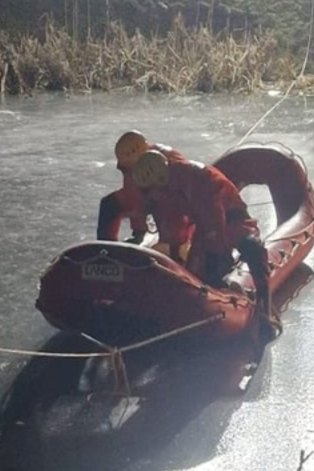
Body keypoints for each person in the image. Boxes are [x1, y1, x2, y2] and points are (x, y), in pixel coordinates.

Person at [131, 149, 280, 342]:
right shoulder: (165, 189)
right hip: (203, 225)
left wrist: (219, 255)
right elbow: (175, 226)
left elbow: (214, 221)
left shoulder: (198, 180)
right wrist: (176, 258)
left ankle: (264, 309)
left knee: (252, 249)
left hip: (231, 217)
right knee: (195, 274)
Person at [96, 131, 193, 252]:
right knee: (109, 205)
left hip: (170, 200)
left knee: (167, 210)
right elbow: (131, 191)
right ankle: (106, 251)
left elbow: (182, 188)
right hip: (147, 198)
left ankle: (176, 249)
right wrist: (139, 229)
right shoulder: (130, 165)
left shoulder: (168, 159)